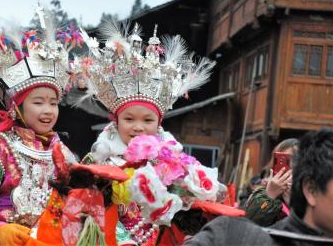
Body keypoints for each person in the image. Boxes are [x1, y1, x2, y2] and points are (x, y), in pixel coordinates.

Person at [0, 6, 127, 246]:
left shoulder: (61, 152)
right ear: (17, 108)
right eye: (38, 102)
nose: (48, 110)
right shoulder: (1, 148)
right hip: (6, 238)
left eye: (53, 103)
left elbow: (83, 195)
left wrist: (125, 238)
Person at [75, 21, 244, 245]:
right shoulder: (100, 162)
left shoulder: (174, 163)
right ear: (115, 121)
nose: (138, 127)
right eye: (128, 119)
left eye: (147, 120)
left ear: (159, 122)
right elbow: (89, 214)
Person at [184, 128, 333, 246]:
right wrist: (270, 194)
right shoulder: (231, 234)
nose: (290, 168)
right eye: (287, 161)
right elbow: (247, 219)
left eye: (295, 162)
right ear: (311, 190)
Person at [245, 138, 298, 226]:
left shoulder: (307, 193)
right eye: (285, 159)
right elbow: (250, 222)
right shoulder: (262, 190)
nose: (291, 164)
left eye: (296, 159)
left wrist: (292, 204)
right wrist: (270, 195)